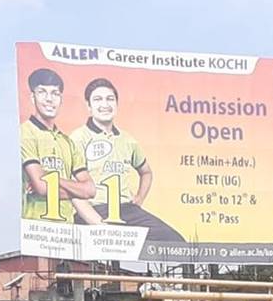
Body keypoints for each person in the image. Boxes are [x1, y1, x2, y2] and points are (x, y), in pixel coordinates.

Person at [69, 78, 185, 242]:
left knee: (175, 242)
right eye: (98, 99)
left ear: (116, 104)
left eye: (110, 99)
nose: (105, 104)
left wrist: (139, 198)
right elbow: (73, 191)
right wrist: (99, 227)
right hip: (95, 210)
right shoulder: (77, 138)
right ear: (88, 106)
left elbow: (146, 172)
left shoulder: (127, 139)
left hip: (126, 210)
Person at [20, 68, 102, 225]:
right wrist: (77, 190)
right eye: (42, 92)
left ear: (61, 99)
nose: (49, 99)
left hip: (66, 232)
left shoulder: (67, 142)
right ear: (33, 97)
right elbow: (42, 187)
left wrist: (53, 179)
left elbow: (90, 190)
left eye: (55, 93)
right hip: (36, 231)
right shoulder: (26, 132)